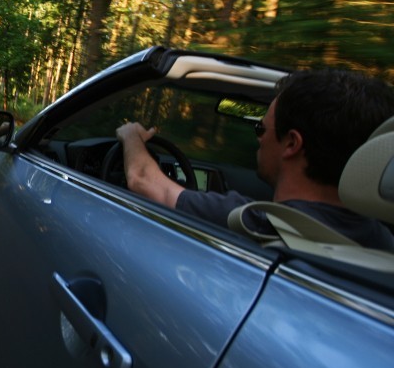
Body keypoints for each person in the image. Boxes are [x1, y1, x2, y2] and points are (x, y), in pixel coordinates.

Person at [116, 69, 394, 250]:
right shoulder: (383, 243)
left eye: (261, 128)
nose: (258, 138)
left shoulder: (254, 221)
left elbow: (143, 181)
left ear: (292, 144)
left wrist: (131, 135)